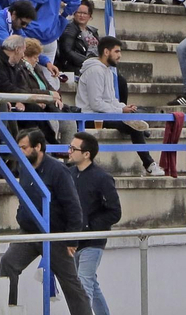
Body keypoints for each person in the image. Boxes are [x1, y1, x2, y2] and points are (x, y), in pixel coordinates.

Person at [0, 128, 93, 315]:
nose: (20, 152)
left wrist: (71, 239)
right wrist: (21, 215)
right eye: (18, 147)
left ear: (38, 147)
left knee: (71, 284)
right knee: (8, 263)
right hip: (30, 232)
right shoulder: (24, 167)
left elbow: (73, 207)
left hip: (55, 235)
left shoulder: (58, 171)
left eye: (24, 147)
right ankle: (7, 309)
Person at [79, 37, 163, 174]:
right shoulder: (95, 71)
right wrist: (120, 110)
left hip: (104, 114)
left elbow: (111, 100)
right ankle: (149, 164)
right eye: (117, 51)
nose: (120, 55)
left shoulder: (107, 71)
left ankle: (142, 130)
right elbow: (96, 104)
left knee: (138, 112)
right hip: (91, 117)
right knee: (134, 125)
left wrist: (124, 107)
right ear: (106, 52)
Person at [67, 131, 121, 315]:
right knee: (90, 283)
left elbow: (115, 212)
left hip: (93, 241)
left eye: (73, 148)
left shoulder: (102, 178)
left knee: (84, 284)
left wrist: (90, 226)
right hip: (74, 241)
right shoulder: (69, 174)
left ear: (86, 154)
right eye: (69, 147)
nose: (69, 151)